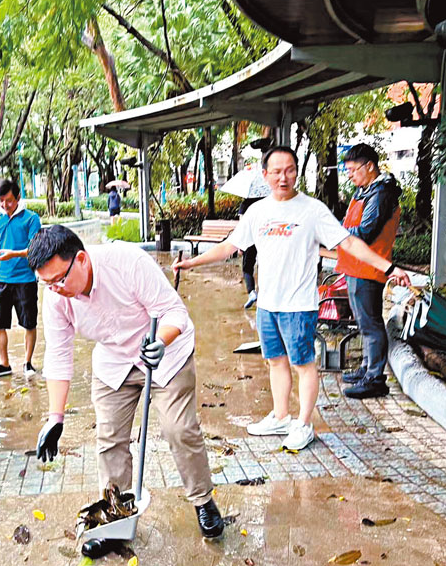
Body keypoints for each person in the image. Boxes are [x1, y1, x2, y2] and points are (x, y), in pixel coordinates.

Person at [173, 146, 410, 451]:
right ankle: (281, 416)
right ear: (265, 175)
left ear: (296, 172)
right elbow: (230, 246)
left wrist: (388, 267)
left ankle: (304, 423)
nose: (283, 177)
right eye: (276, 171)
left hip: (299, 306)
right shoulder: (258, 211)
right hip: (268, 304)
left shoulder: (312, 210)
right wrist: (193, 262)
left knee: (303, 364)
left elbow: (349, 241)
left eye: (289, 170)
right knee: (275, 362)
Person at [28, 225, 224, 550]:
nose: (55, 289)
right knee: (109, 441)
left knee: (179, 429)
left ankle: (203, 499)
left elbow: (175, 312)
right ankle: (115, 521)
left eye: (59, 279)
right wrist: (55, 418)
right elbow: (59, 356)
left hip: (163, 355)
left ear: (81, 259)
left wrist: (161, 342)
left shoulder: (126, 262)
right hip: (114, 360)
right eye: (45, 283)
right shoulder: (56, 298)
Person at [337, 144, 402, 399]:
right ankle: (367, 368)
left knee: (371, 323)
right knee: (364, 322)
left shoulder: (381, 193)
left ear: (370, 166)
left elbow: (366, 231)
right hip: (356, 266)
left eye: (353, 170)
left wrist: (337, 233)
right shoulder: (365, 191)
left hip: (369, 266)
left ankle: (375, 378)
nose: (350, 175)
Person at [0, 178, 42, 380]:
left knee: (29, 323)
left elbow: (35, 250)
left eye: (8, 200)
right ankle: (4, 364)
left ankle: (27, 363)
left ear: (17, 197)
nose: (5, 205)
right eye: (1, 201)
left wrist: (13, 254)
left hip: (25, 279)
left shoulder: (31, 219)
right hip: (1, 279)